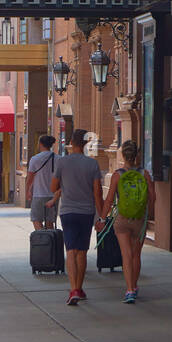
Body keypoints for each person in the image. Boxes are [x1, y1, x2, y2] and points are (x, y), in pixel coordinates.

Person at [50, 129, 103, 306]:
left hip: (68, 212)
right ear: (86, 143)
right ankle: (79, 288)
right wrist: (101, 216)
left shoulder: (62, 162)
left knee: (70, 251)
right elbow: (97, 193)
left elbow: (52, 187)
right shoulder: (92, 164)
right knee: (82, 251)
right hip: (86, 212)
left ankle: (73, 289)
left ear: (71, 142)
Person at [100, 140, 155, 303]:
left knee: (126, 254)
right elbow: (153, 196)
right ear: (137, 155)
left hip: (122, 219)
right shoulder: (145, 174)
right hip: (139, 219)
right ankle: (135, 286)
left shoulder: (118, 175)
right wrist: (147, 213)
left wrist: (102, 219)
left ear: (123, 155)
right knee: (136, 254)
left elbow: (109, 199)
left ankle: (129, 290)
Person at [25, 135, 58, 230]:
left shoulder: (35, 159)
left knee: (36, 219)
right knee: (50, 222)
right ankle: (50, 242)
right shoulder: (58, 159)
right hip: (53, 196)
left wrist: (28, 191)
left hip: (39, 194)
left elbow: (30, 177)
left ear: (40, 144)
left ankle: (42, 240)